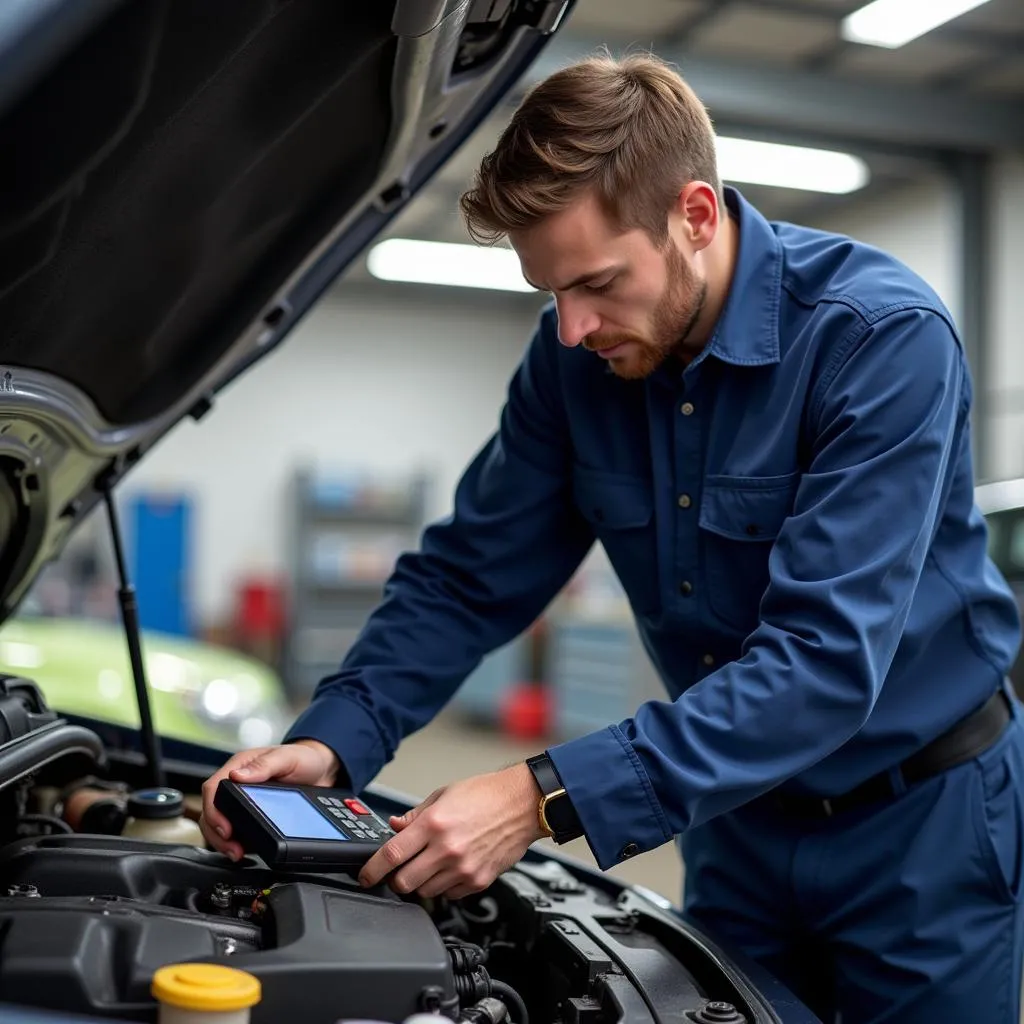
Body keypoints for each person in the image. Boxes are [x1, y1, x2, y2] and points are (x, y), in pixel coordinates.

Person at [200, 53, 1024, 1024]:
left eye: (594, 282)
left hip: (920, 827)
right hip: (737, 821)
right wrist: (337, 741)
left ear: (697, 217)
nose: (570, 328)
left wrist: (541, 794)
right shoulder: (571, 368)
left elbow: (822, 664)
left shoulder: (876, 342)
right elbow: (470, 575)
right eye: (549, 292)